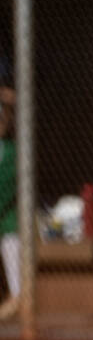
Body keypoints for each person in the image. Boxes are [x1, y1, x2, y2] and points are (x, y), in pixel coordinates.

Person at [0, 75, 17, 321]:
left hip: (9, 221)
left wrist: (10, 100)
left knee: (11, 235)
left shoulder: (14, 149)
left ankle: (18, 299)